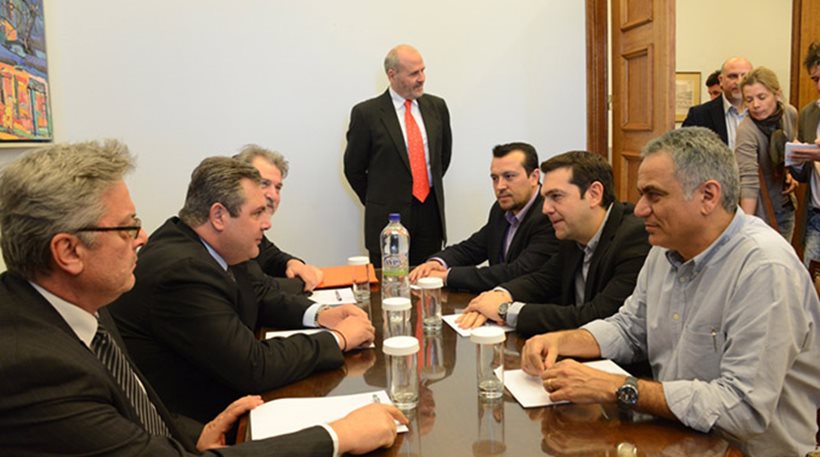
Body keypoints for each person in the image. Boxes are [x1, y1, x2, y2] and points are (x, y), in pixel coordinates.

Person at [0, 140, 405, 456]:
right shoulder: (33, 367)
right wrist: (336, 436)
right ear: (68, 252)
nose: (142, 237)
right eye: (127, 227)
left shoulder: (82, 304)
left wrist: (192, 434)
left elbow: (134, 409)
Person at [521, 127, 820, 456]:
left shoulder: (764, 268)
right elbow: (630, 328)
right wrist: (562, 340)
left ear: (708, 196)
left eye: (654, 196)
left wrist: (621, 388)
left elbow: (742, 409)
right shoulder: (665, 250)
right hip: (677, 440)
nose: (639, 209)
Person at [109, 156, 376, 425]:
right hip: (195, 426)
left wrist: (321, 315)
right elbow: (254, 366)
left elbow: (260, 297)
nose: (267, 223)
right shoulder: (183, 272)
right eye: (257, 213)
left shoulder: (215, 247)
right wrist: (339, 339)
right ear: (219, 216)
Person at [456, 151, 650, 337]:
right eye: (545, 199)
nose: (546, 209)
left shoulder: (635, 237)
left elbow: (599, 316)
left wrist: (505, 311)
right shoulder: (572, 232)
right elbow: (543, 280)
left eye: (556, 196)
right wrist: (501, 294)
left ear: (594, 194)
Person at [344, 44, 452, 267]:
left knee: (428, 278)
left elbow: (443, 157)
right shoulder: (367, 114)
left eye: (423, 70)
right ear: (392, 75)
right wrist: (379, 200)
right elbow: (354, 169)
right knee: (390, 284)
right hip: (388, 220)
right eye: (414, 73)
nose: (421, 78)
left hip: (430, 215)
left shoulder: (437, 107)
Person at [408, 142, 558, 292]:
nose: (500, 186)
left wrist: (447, 276)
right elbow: (471, 248)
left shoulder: (549, 214)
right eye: (495, 178)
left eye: (509, 176)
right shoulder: (500, 210)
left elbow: (518, 272)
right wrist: (438, 263)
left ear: (534, 177)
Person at [234, 144, 324, 292]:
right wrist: (302, 282)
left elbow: (270, 256)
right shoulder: (232, 227)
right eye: (264, 183)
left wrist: (293, 263)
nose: (273, 196)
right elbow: (255, 288)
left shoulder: (255, 228)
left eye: (278, 188)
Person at [735, 67, 798, 240]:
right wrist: (746, 227)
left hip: (786, 208)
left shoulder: (790, 114)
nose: (755, 105)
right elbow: (748, 181)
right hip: (761, 215)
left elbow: (789, 151)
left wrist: (789, 174)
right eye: (749, 100)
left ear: (777, 95)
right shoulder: (746, 130)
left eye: (761, 97)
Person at [789, 41, 820, 265]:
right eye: (816, 79)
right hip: (816, 218)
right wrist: (797, 158)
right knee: (811, 280)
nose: (819, 86)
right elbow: (802, 176)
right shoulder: (809, 113)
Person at [683, 57, 753, 149]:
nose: (739, 82)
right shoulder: (699, 115)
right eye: (733, 76)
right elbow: (684, 151)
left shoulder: (764, 112)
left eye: (745, 77)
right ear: (721, 80)